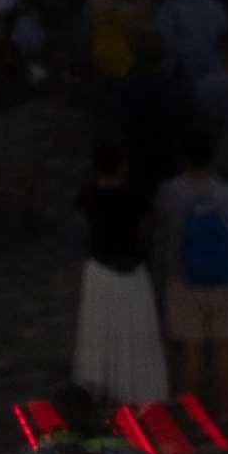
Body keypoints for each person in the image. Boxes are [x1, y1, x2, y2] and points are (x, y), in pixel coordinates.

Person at [149, 134, 228, 415]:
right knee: (224, 349)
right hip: (225, 277)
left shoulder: (171, 191)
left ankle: (194, 414)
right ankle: (224, 410)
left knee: (191, 349)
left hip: (184, 277)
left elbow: (163, 228)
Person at [70, 148, 170, 418]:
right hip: (131, 274)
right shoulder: (134, 198)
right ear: (123, 167)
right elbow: (147, 230)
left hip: (101, 273)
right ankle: (131, 389)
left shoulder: (88, 196)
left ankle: (100, 387)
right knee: (133, 329)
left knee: (100, 329)